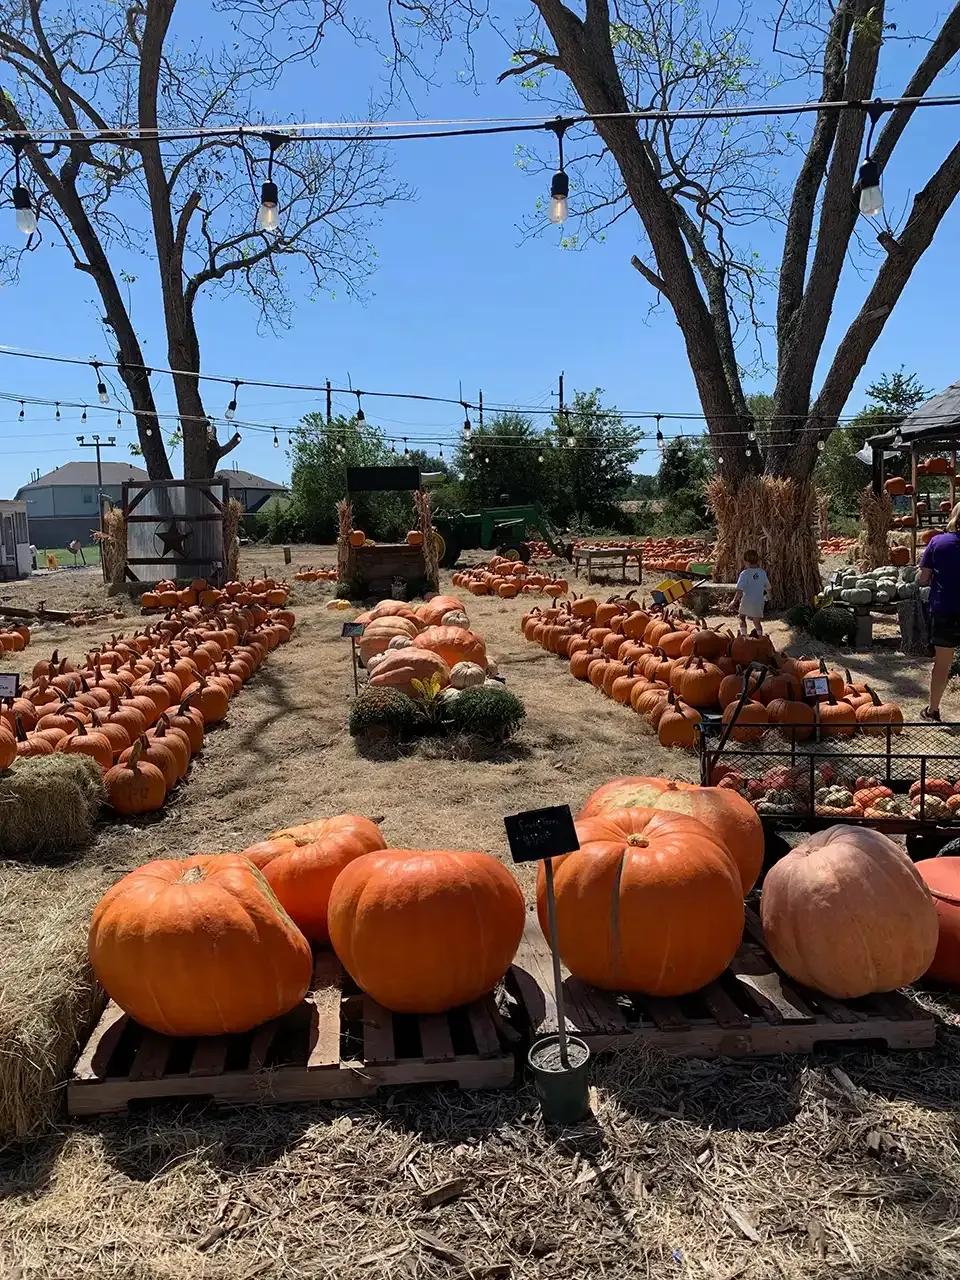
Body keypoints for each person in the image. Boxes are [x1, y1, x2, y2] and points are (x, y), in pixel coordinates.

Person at [917, 503, 960, 721]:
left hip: (945, 609)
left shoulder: (937, 542)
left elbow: (923, 578)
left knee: (942, 664)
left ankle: (933, 710)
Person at [731, 549, 769, 636]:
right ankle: (760, 637)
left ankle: (744, 636)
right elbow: (767, 586)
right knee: (757, 622)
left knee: (741, 617)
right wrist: (769, 596)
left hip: (747, 599)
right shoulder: (762, 572)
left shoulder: (744, 574)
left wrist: (734, 601)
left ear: (746, 561)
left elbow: (740, 590)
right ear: (757, 560)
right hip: (759, 600)